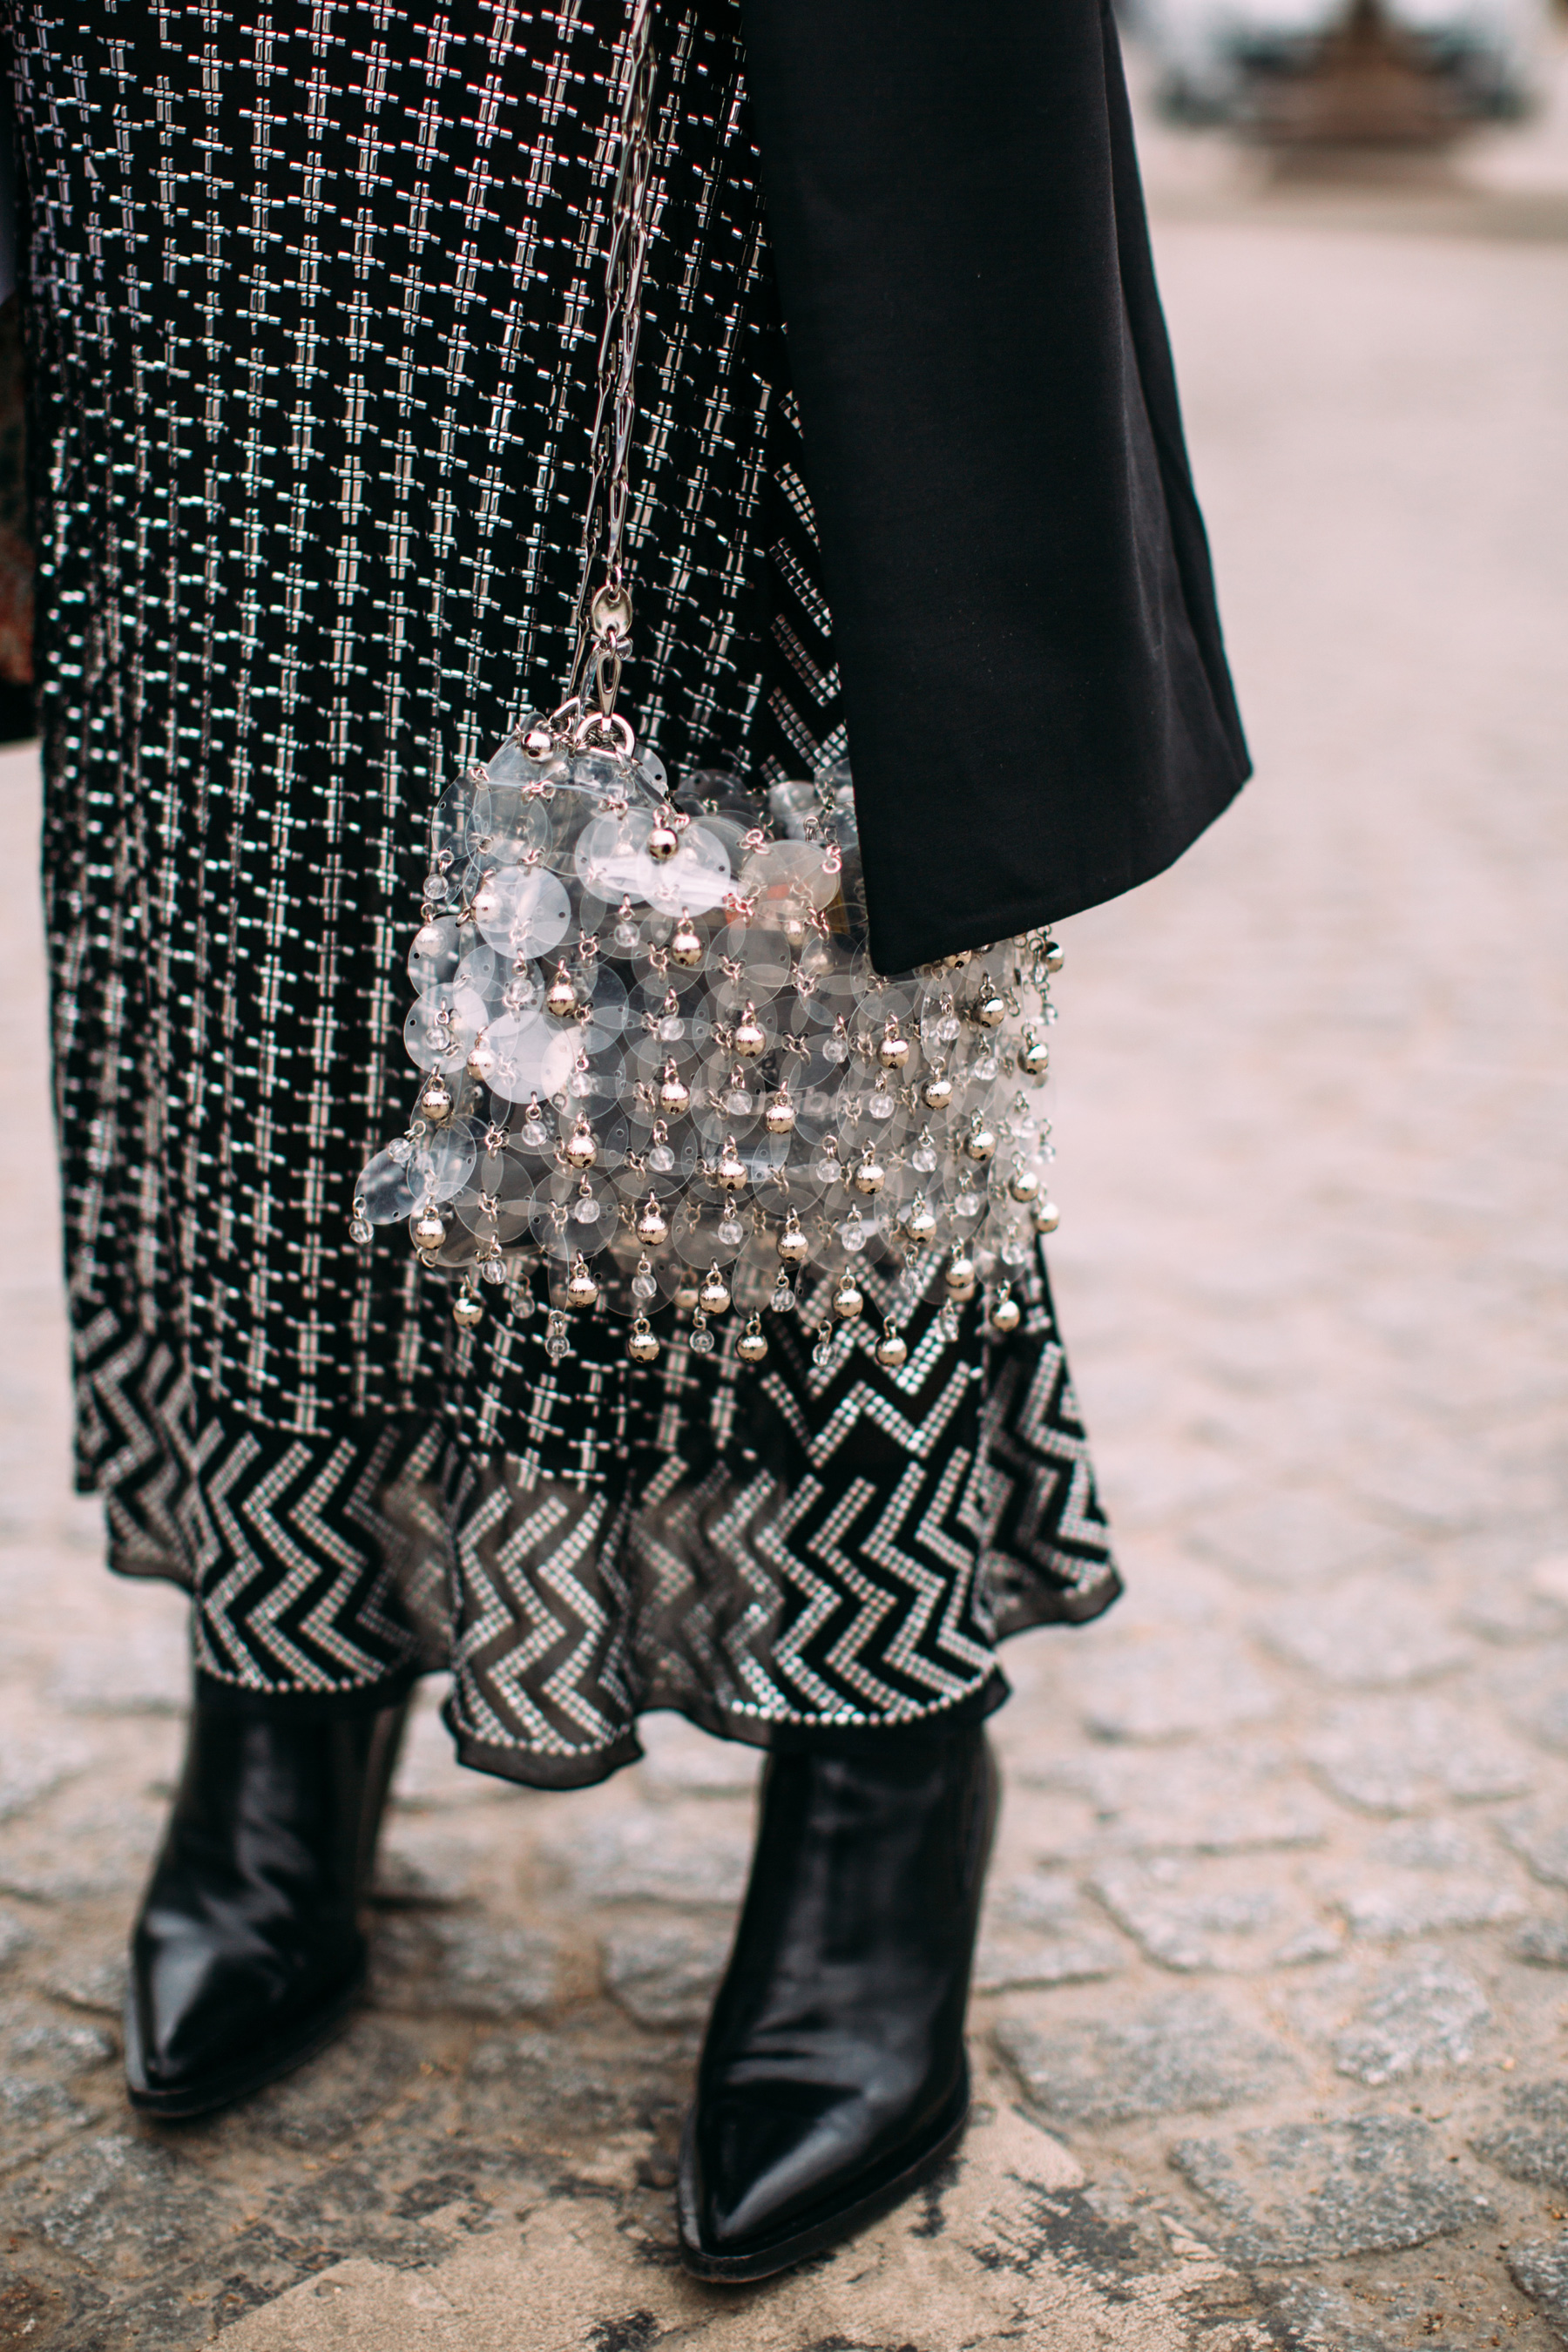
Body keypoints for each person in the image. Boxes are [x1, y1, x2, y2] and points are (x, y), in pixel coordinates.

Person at [10, 0, 1247, 2287]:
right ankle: (288, 1665)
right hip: (205, 91)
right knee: (259, 849)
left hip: (679, 57)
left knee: (789, 883)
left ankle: (882, 1752)